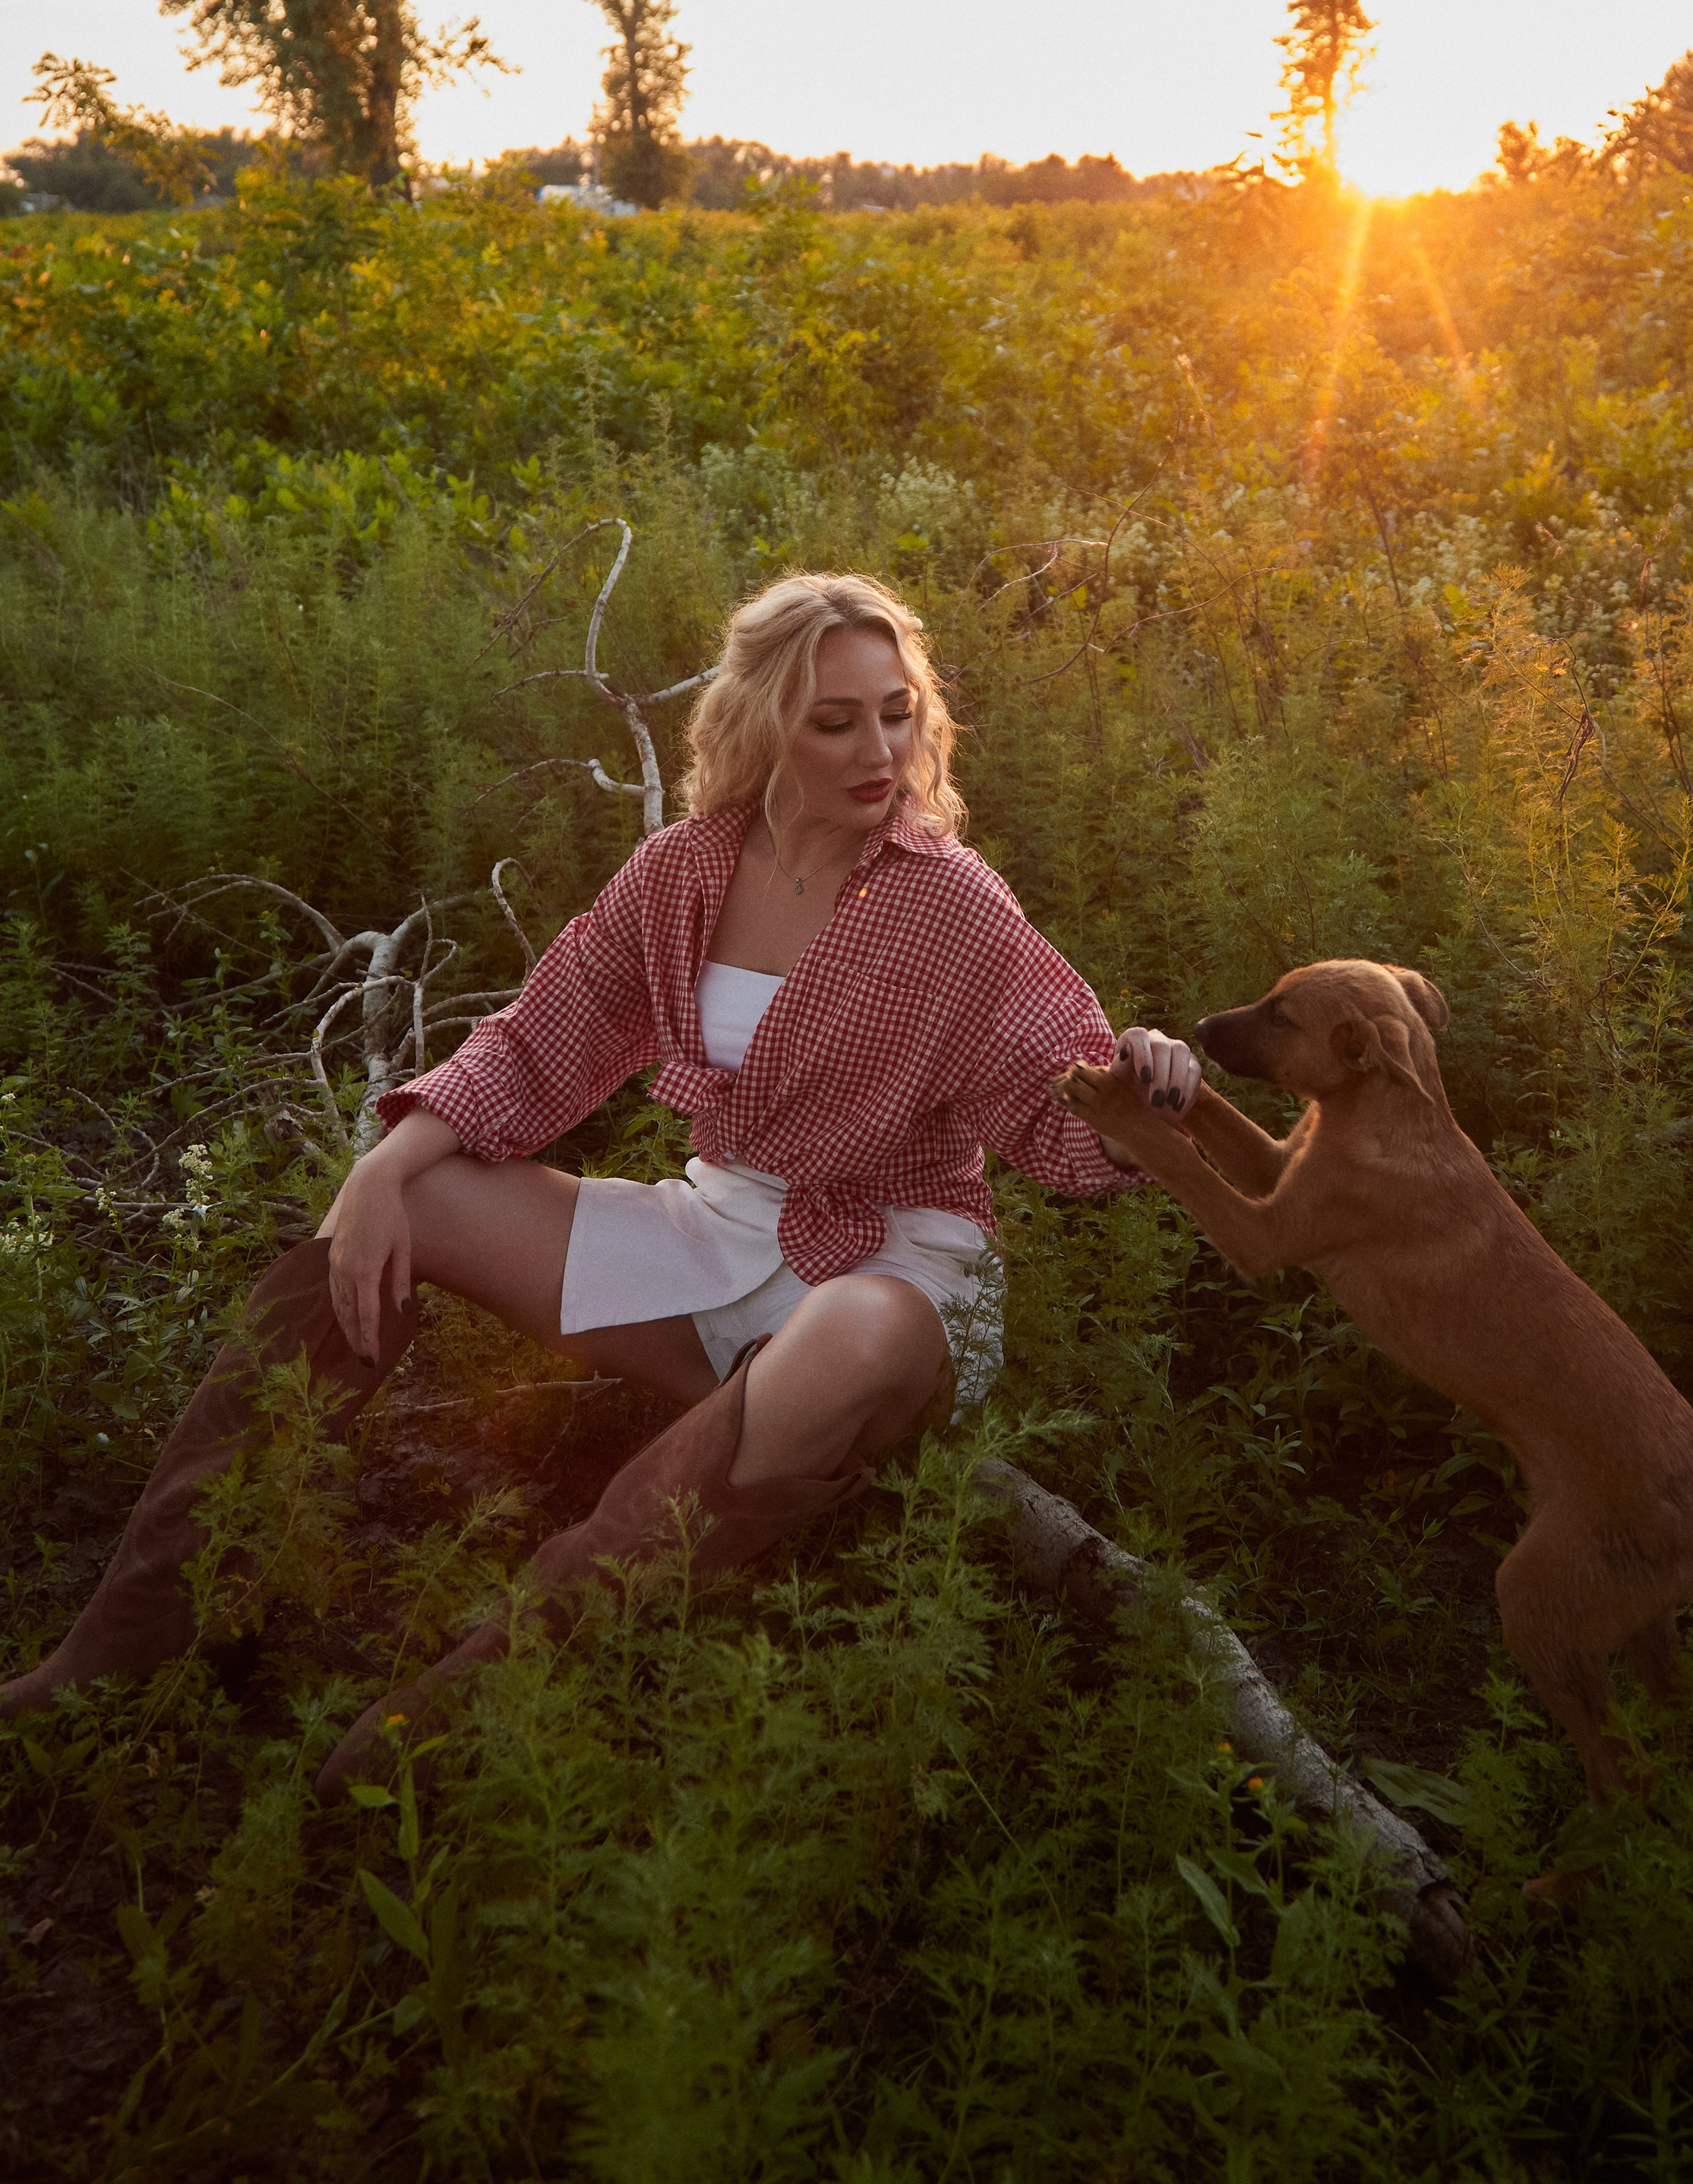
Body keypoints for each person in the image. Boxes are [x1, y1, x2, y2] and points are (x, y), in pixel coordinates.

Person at [2, 571, 1202, 1796]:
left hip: (892, 1276)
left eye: (897, 712)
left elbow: (1063, 1117)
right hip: (716, 1236)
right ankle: (143, 1634)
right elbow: (540, 1037)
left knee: (845, 1329)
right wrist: (386, 1162)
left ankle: (447, 1727)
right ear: (760, 724)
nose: (877, 749)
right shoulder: (685, 870)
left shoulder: (952, 903)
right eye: (834, 719)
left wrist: (1144, 1093)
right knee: (405, 1208)